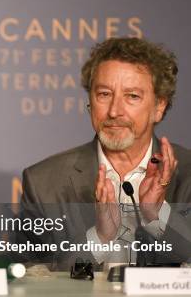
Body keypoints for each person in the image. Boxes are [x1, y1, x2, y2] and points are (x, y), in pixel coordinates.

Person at [18, 37, 191, 268]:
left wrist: (157, 214)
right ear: (90, 100)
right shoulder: (44, 182)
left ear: (159, 107)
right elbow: (32, 276)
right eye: (104, 94)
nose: (114, 111)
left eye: (132, 96)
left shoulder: (187, 175)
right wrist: (98, 238)